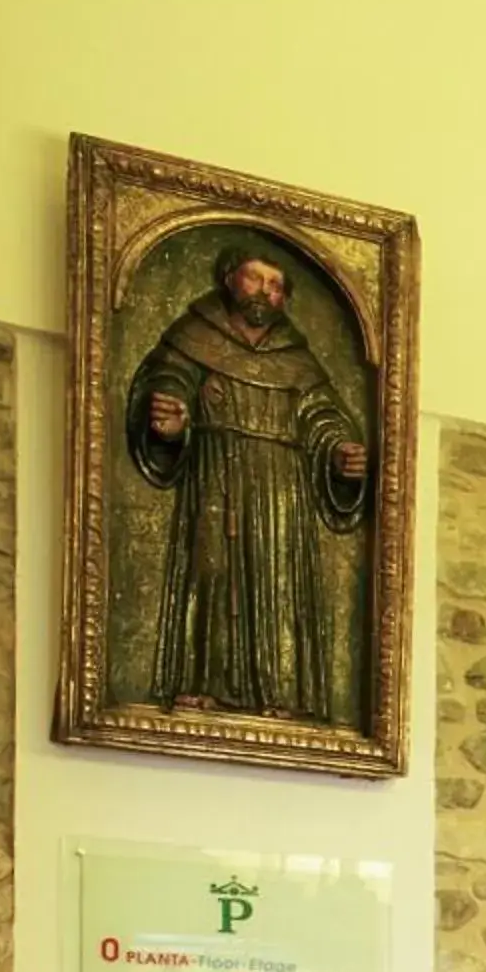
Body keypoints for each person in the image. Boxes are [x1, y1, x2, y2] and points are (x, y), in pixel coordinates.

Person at [125, 242, 368, 721]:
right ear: (230, 278)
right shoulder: (194, 335)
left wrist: (340, 451)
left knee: (278, 581)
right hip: (216, 474)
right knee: (211, 572)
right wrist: (170, 418)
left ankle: (284, 694)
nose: (266, 292)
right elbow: (168, 381)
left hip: (281, 486)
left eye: (276, 286)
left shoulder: (295, 355)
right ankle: (203, 685)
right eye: (257, 279)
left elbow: (321, 414)